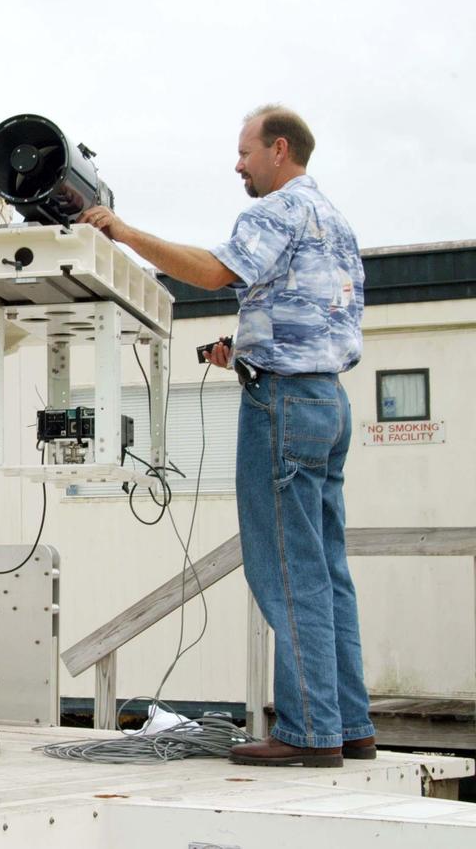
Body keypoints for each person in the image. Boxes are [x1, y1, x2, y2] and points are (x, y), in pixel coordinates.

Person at [79, 104, 373, 767]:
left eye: (244, 153)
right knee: (327, 571)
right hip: (328, 401)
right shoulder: (336, 221)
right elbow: (308, 313)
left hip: (285, 406)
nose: (236, 164)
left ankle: (308, 732)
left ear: (278, 149)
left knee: (288, 571)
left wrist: (123, 231)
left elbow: (215, 271)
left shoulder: (273, 211)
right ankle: (350, 724)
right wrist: (241, 346)